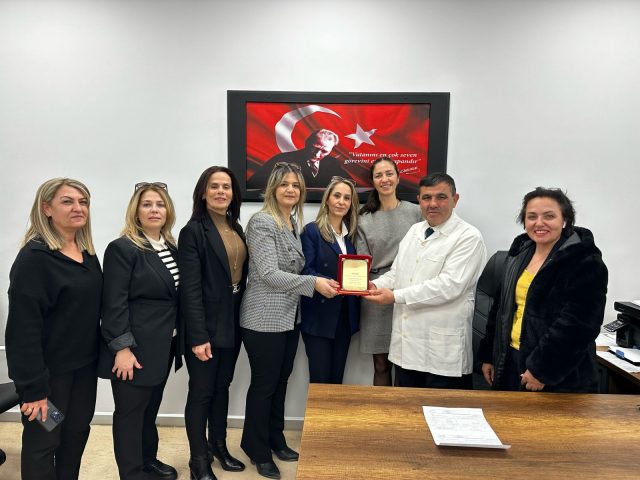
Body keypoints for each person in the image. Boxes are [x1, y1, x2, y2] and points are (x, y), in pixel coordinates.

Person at [240, 162, 338, 479]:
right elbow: (269, 274)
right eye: (284, 184)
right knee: (264, 385)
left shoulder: (293, 222)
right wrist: (314, 283)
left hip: (289, 317)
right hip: (263, 318)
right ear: (273, 188)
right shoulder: (262, 222)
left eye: (296, 185)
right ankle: (256, 449)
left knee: (280, 382)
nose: (291, 190)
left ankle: (275, 439)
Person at [5, 178, 102, 480]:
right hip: (48, 379)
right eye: (67, 201)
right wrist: (33, 389)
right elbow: (22, 331)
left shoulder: (87, 253)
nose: (78, 207)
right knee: (45, 441)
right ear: (46, 208)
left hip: (83, 371)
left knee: (75, 434)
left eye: (83, 202)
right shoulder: (34, 259)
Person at [478, 187, 608, 393]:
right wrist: (489, 355)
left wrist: (542, 370)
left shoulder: (584, 260)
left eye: (549, 216)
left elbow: (579, 325)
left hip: (558, 373)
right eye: (532, 217)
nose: (539, 223)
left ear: (565, 219)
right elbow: (500, 310)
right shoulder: (519, 254)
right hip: (510, 359)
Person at [365, 172, 486, 389]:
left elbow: (449, 286)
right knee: (406, 408)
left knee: (441, 410)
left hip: (441, 355)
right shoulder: (415, 231)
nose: (433, 204)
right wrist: (375, 285)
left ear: (455, 199)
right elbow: (397, 272)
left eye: (441, 197)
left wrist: (395, 296)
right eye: (427, 197)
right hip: (406, 349)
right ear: (419, 200)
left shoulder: (468, 237)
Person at [98, 182, 180, 480]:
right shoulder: (122, 248)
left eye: (160, 204)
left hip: (163, 346)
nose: (154, 209)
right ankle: (132, 474)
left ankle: (148, 461)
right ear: (136, 211)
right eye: (147, 204)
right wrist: (122, 348)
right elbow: (113, 303)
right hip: (134, 349)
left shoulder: (170, 247)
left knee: (149, 410)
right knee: (130, 415)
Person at [179, 166, 248, 480]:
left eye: (226, 187)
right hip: (204, 324)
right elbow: (190, 289)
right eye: (214, 186)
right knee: (202, 392)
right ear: (203, 193)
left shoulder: (235, 227)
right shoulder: (193, 231)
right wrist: (197, 336)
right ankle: (198, 461)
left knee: (222, 387)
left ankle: (218, 446)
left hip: (232, 319)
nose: (221, 191)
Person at [355, 157, 422, 385]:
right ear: (373, 182)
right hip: (376, 292)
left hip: (410, 289)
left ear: (398, 177)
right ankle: (379, 408)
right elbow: (361, 261)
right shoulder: (364, 218)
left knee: (409, 365)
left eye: (389, 173)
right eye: (378, 175)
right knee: (381, 364)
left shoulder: (416, 212)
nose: (385, 179)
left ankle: (404, 408)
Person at [300, 177, 361, 384]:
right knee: (320, 383)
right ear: (327, 199)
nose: (341, 202)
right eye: (337, 196)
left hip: (344, 318)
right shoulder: (312, 231)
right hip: (319, 317)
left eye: (347, 198)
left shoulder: (351, 236)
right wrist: (326, 282)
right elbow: (305, 270)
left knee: (337, 383)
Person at [247, 129, 353, 190]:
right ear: (307, 143)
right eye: (314, 148)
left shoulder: (332, 163)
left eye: (324, 151)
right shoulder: (281, 160)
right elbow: (253, 184)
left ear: (331, 150)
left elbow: (350, 183)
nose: (317, 154)